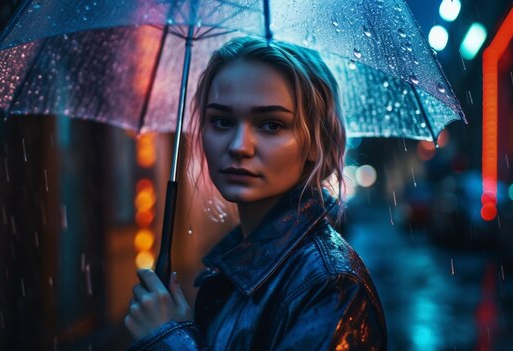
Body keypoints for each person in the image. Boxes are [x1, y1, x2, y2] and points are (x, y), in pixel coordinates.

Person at [124, 36, 387, 350]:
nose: (238, 147)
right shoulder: (238, 270)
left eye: (271, 125)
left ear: (315, 143)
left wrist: (167, 339)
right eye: (221, 121)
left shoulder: (330, 287)